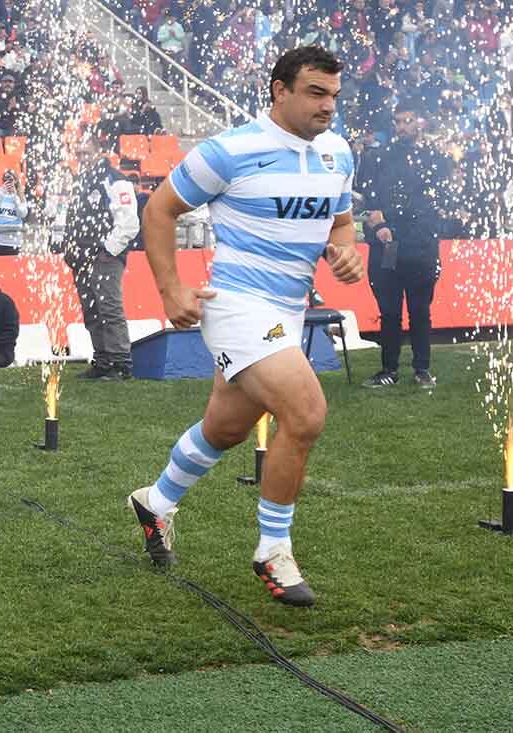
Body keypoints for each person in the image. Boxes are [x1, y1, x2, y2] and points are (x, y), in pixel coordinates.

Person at [133, 46, 365, 606]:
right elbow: (158, 210)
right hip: (237, 306)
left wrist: (345, 252)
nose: (328, 106)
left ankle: (156, 501)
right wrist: (170, 290)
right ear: (278, 91)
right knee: (306, 413)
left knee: (226, 428)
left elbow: (341, 223)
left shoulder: (338, 153)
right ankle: (273, 551)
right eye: (315, 92)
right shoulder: (230, 151)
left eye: (333, 94)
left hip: (288, 309)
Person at [361, 100, 457, 389]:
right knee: (389, 312)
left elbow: (428, 205)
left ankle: (422, 369)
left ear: (421, 123)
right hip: (387, 247)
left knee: (419, 311)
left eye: (407, 121)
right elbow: (370, 199)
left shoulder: (435, 160)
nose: (402, 127)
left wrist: (387, 217)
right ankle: (389, 369)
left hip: (420, 247)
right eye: (398, 121)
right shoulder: (381, 157)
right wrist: (377, 225)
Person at [63, 134, 140, 379]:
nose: (83, 159)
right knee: (91, 311)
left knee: (109, 308)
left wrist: (108, 250)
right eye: (80, 154)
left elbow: (129, 223)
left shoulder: (115, 180)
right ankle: (102, 361)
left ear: (100, 152)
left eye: (87, 153)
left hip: (104, 256)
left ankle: (121, 363)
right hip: (82, 256)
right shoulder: (81, 181)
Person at [0, 170, 28, 255]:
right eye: (5, 180)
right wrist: (2, 194)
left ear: (16, 181)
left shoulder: (20, 196)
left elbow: (22, 214)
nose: (8, 182)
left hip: (13, 242)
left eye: (11, 180)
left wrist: (15, 198)